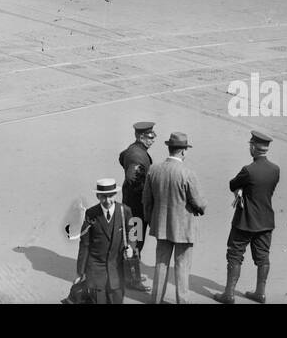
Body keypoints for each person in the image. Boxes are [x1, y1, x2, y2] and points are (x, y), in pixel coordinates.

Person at [141, 131, 206, 304]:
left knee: (161, 264)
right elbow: (199, 202)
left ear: (169, 148)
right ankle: (182, 301)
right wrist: (201, 208)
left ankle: (156, 299)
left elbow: (146, 200)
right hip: (184, 228)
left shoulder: (154, 170)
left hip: (161, 225)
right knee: (182, 267)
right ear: (183, 151)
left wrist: (151, 219)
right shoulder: (187, 173)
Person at [220, 130, 281, 304]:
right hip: (266, 221)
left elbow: (232, 184)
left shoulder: (248, 170)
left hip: (245, 221)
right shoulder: (275, 170)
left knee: (235, 255)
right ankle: (260, 293)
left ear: (254, 147)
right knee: (263, 257)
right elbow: (265, 190)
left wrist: (240, 189)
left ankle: (229, 294)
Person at [75, 179, 131, 304]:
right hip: (96, 270)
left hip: (117, 269)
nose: (107, 200)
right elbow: (85, 244)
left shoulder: (125, 211)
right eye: (103, 197)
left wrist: (131, 247)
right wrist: (80, 272)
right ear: (97, 196)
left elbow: (133, 233)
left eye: (110, 196)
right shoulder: (90, 213)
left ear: (115, 195)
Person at [118, 121, 156, 293]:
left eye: (154, 136)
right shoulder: (137, 155)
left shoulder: (133, 150)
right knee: (135, 243)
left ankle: (128, 274)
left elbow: (121, 156)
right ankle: (132, 279)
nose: (153, 139)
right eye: (150, 136)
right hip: (135, 209)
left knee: (134, 241)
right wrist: (147, 194)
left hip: (132, 205)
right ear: (141, 136)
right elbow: (134, 180)